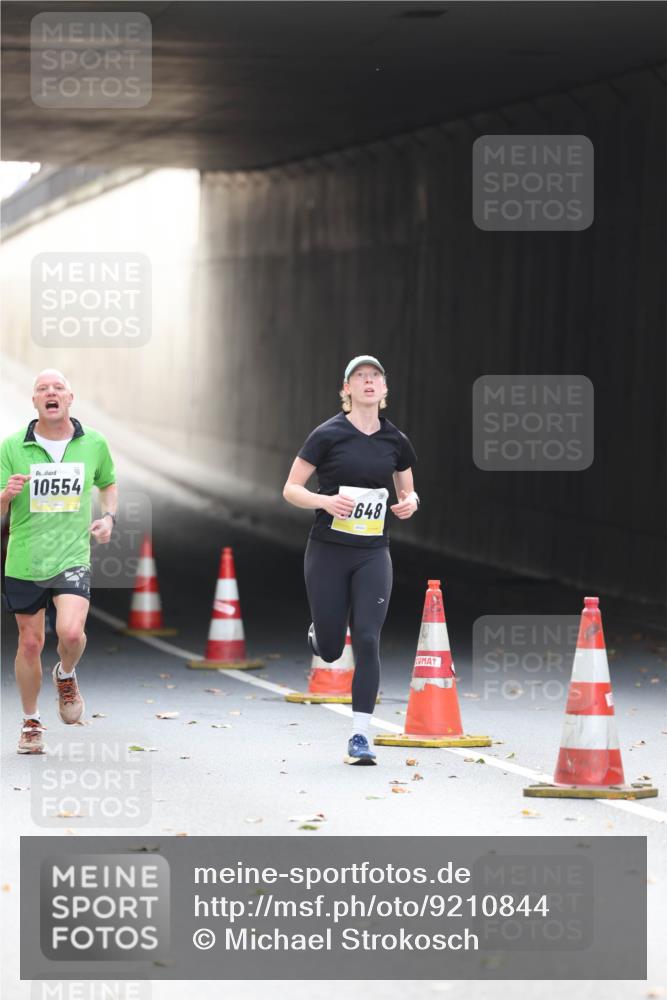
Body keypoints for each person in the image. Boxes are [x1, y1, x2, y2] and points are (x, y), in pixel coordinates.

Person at [283, 355, 419, 765]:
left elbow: (409, 491)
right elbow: (291, 488)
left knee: (366, 638)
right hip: (328, 549)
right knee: (329, 647)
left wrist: (410, 503)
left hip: (373, 553)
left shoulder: (396, 441)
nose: (368, 381)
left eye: (375, 376)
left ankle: (361, 735)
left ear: (384, 389)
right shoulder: (327, 434)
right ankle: (319, 634)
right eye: (359, 377)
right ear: (347, 389)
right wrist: (324, 500)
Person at [0, 370, 117, 754]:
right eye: (42, 389)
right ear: (34, 402)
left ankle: (65, 674)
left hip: (72, 554)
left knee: (69, 633)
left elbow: (108, 482)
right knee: (30, 643)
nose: (51, 393)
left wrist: (108, 518)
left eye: (58, 388)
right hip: (25, 559)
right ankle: (31, 722)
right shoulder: (12, 446)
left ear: (70, 398)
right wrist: (6, 495)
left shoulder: (94, 443)